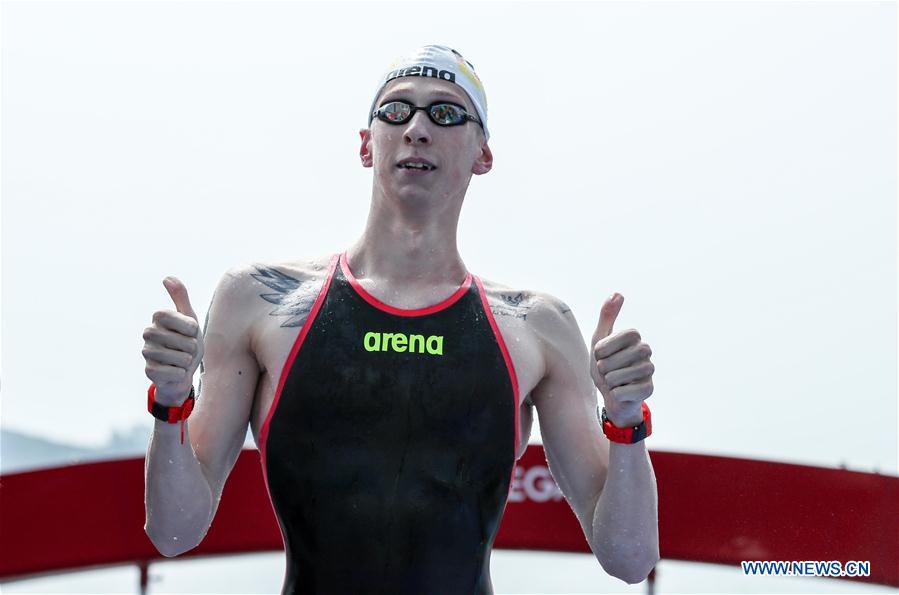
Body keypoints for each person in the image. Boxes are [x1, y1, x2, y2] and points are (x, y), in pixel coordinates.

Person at [142, 45, 659, 594]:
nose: (416, 128)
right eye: (395, 110)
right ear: (367, 145)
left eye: (445, 112)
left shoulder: (535, 326)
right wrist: (171, 401)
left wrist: (625, 421)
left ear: (483, 153)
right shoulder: (261, 300)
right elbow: (174, 532)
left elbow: (629, 559)